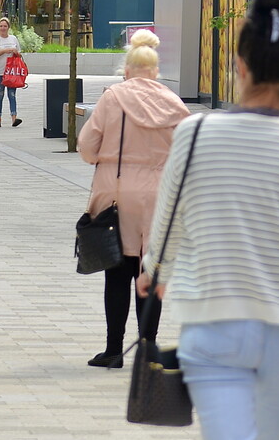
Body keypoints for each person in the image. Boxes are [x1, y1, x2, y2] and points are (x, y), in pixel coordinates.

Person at [139, 0, 279, 440]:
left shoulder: (194, 134)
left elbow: (167, 231)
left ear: (239, 65)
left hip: (212, 325)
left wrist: (152, 272)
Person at [79, 29, 193, 368]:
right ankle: (147, 349)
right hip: (160, 196)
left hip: (117, 194)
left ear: (127, 69)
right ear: (156, 70)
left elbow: (87, 147)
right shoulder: (173, 102)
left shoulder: (113, 98)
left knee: (116, 272)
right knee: (151, 272)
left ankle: (114, 351)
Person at [0, 17, 24, 127]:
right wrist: (2, 51)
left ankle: (14, 118)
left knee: (12, 94)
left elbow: (19, 54)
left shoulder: (13, 39)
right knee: (0, 94)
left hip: (11, 72)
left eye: (5, 26)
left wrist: (15, 52)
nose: (3, 28)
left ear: (8, 27)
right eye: (1, 26)